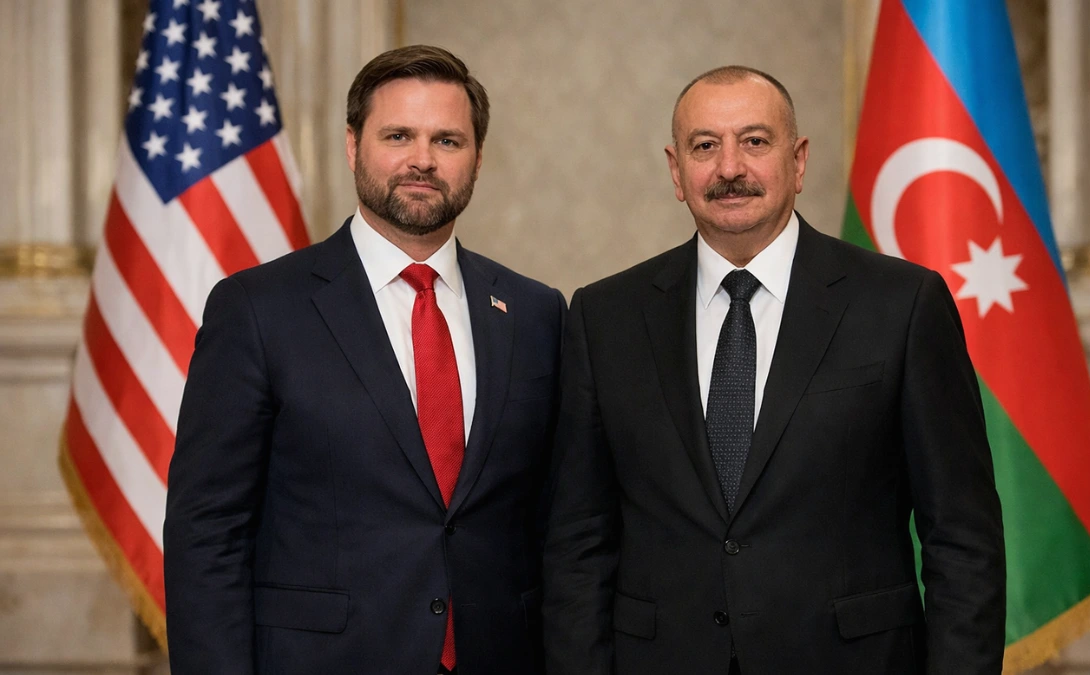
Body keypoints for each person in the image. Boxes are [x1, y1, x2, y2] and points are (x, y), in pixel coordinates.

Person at [542, 65, 1005, 674]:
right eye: (704, 146)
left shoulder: (903, 305)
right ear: (676, 171)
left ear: (799, 160)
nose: (729, 168)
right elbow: (578, 542)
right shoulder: (605, 316)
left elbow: (962, 540)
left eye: (755, 141)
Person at [164, 45, 563, 675]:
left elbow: (556, 520)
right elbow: (207, 530)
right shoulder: (257, 309)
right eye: (398, 135)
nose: (422, 160)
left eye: (448, 140)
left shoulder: (536, 313)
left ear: (478, 159)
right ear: (353, 146)